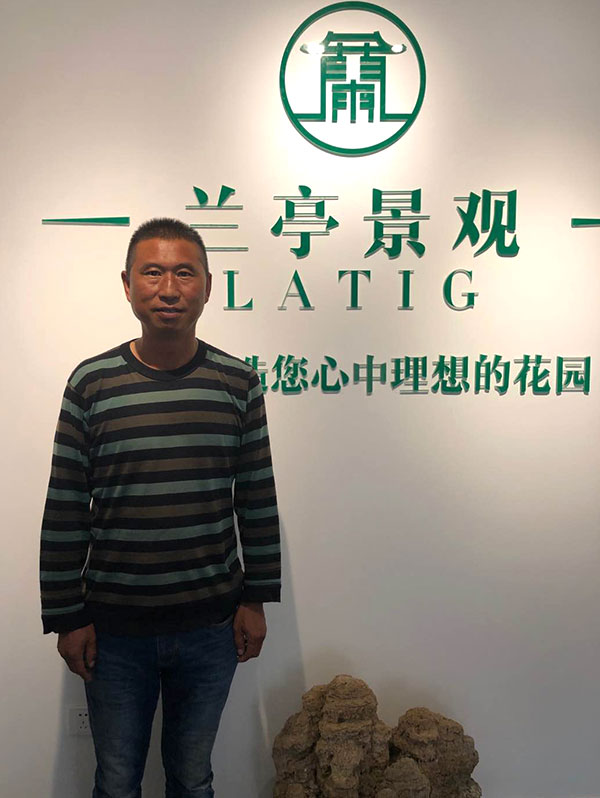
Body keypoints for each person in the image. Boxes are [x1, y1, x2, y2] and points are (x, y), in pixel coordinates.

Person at [40, 218, 281, 798]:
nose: (168, 288)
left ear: (208, 286)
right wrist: (67, 616)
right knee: (117, 781)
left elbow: (256, 497)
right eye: (152, 273)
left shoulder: (238, 383)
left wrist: (256, 599)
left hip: (210, 627)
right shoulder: (91, 384)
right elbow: (66, 505)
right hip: (114, 630)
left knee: (193, 779)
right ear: (127, 285)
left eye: (184, 273)